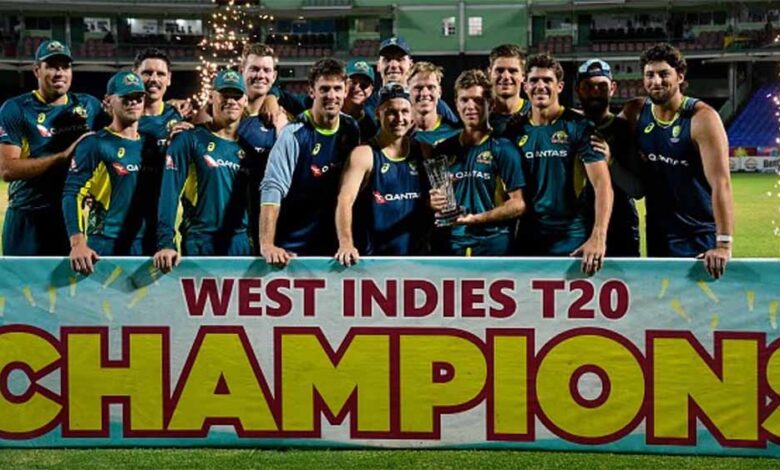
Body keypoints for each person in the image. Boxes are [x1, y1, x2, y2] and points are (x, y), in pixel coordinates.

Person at [620, 43, 733, 279]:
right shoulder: (636, 112)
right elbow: (603, 129)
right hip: (658, 234)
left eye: (664, 74)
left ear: (680, 76)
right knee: (662, 300)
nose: (656, 81)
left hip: (699, 235)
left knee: (701, 301)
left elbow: (721, 183)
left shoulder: (702, 118)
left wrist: (723, 244)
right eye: (650, 75)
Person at [507, 53, 613, 275]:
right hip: (528, 238)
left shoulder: (579, 126)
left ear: (560, 86)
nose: (540, 86)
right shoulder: (514, 131)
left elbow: (602, 185)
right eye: (534, 80)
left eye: (547, 80)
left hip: (572, 238)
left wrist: (598, 236)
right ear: (525, 87)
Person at [0, 40, 105, 255]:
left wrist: (170, 107)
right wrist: (62, 157)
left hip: (69, 219)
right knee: (22, 278)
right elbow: (7, 169)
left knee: (70, 278)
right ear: (36, 70)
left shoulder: (89, 106)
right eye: (52, 67)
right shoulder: (16, 108)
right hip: (26, 216)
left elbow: (121, 132)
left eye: (65, 67)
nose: (60, 73)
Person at [259, 58, 360, 266]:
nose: (331, 96)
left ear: (345, 91)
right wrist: (267, 244)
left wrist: (346, 241)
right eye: (324, 89)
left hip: (334, 250)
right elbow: (272, 187)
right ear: (312, 91)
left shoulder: (351, 128)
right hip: (293, 249)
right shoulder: (294, 134)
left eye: (337, 89)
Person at [153, 69, 253, 272]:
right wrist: (165, 243)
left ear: (245, 101)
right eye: (225, 95)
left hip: (240, 244)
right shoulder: (188, 139)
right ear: (212, 97)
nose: (231, 101)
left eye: (237, 96)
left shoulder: (249, 149)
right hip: (200, 242)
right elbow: (169, 193)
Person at [428, 69, 526, 256]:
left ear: (491, 104)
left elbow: (518, 204)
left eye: (478, 100)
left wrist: (477, 219)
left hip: (492, 244)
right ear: (456, 104)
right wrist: (433, 202)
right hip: (452, 244)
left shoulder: (504, 148)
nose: (470, 106)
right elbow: (433, 201)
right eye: (464, 100)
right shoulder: (443, 150)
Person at [63, 71, 152, 274]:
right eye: (126, 97)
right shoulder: (94, 144)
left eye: (138, 97)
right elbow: (72, 193)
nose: (133, 102)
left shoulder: (152, 145)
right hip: (106, 243)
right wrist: (77, 242)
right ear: (109, 100)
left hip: (145, 244)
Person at [334, 83, 430, 266]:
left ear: (412, 115)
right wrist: (346, 243)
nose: (399, 118)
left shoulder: (423, 151)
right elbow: (344, 200)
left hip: (417, 259)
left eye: (404, 111)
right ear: (378, 114)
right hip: (374, 261)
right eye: (391, 112)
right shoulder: (364, 154)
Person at [575, 58, 644, 257]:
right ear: (578, 90)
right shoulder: (568, 127)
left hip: (620, 227)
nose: (595, 91)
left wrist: (610, 161)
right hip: (576, 227)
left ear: (613, 88)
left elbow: (637, 190)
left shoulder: (625, 129)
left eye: (602, 86)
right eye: (588, 86)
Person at [238, 43, 281, 254]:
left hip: (266, 225)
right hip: (226, 227)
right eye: (254, 69)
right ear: (241, 70)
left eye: (266, 70)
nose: (260, 75)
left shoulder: (282, 122)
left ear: (274, 76)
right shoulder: (219, 115)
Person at [407, 62, 460, 146]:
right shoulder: (397, 134)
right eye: (418, 88)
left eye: (431, 87)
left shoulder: (455, 133)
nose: (424, 93)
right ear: (407, 92)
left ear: (439, 92)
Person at [487, 43, 531, 136]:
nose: (506, 76)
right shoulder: (479, 118)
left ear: (523, 76)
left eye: (512, 71)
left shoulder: (536, 114)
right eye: (499, 70)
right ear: (489, 74)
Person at [343, 59, 379, 143]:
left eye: (364, 85)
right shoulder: (332, 114)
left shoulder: (373, 120)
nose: (357, 89)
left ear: (371, 90)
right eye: (353, 83)